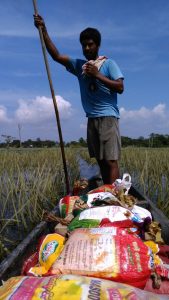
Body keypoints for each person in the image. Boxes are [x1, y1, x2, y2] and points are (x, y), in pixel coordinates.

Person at [34, 15, 124, 184]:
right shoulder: (80, 66)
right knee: (100, 159)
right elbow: (56, 56)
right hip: (91, 118)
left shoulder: (108, 64)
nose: (87, 48)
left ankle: (114, 200)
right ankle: (107, 191)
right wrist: (43, 30)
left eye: (90, 44)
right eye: (84, 45)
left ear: (97, 45)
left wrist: (97, 75)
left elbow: (120, 87)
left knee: (111, 160)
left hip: (107, 117)